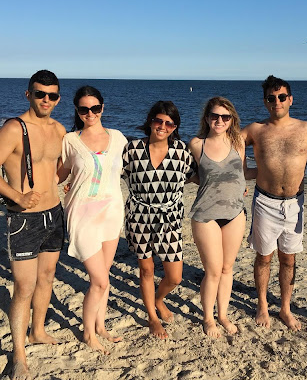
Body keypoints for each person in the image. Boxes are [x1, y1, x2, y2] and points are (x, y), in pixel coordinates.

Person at [0, 70, 66, 380]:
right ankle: (18, 355)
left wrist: (65, 183)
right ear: (28, 94)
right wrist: (17, 196)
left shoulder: (59, 129)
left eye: (51, 95)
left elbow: (56, 169)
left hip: (54, 214)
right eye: (40, 93)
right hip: (24, 220)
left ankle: (37, 330)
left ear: (58, 99)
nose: (46, 100)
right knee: (24, 287)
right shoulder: (14, 128)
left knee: (47, 277)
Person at [242, 75, 307, 331]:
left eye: (281, 97)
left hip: (294, 204)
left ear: (290, 99)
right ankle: (262, 305)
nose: (276, 102)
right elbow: (226, 142)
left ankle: (285, 308)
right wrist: (241, 173)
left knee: (288, 259)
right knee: (264, 257)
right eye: (271, 98)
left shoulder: (306, 129)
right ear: (265, 102)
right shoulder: (255, 129)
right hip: (265, 202)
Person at [57, 86, 127, 354]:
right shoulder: (70, 140)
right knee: (100, 281)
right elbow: (59, 174)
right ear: (77, 111)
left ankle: (100, 326)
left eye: (95, 108)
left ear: (102, 108)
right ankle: (88, 334)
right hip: (82, 214)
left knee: (104, 276)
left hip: (111, 212)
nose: (90, 113)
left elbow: (137, 165)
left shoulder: (118, 138)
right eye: (84, 109)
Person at [122, 101, 197, 339]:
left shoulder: (182, 152)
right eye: (158, 120)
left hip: (170, 220)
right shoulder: (132, 149)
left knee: (175, 276)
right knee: (146, 270)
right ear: (150, 121)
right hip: (139, 218)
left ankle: (158, 298)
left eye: (169, 123)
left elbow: (199, 177)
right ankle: (152, 318)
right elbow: (110, 174)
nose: (162, 126)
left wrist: (235, 184)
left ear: (175, 127)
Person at [188, 97, 256, 338]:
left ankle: (223, 315)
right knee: (213, 271)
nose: (219, 120)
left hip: (235, 213)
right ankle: (208, 318)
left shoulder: (238, 142)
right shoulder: (197, 144)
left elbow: (243, 173)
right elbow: (191, 174)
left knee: (227, 269)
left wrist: (271, 173)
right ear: (207, 118)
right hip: (205, 214)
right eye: (215, 116)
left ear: (231, 119)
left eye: (225, 117)